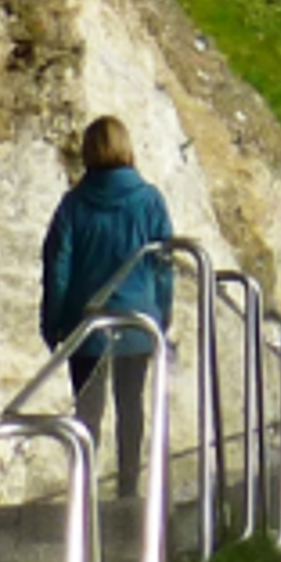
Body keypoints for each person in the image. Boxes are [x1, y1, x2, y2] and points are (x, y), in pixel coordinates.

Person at [40, 114, 175, 493]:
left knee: (87, 413)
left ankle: (83, 493)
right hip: (137, 324)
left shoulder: (73, 205)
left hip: (87, 327)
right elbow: (165, 266)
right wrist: (163, 314)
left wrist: (53, 324)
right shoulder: (150, 201)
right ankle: (129, 490)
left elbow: (57, 269)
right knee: (131, 407)